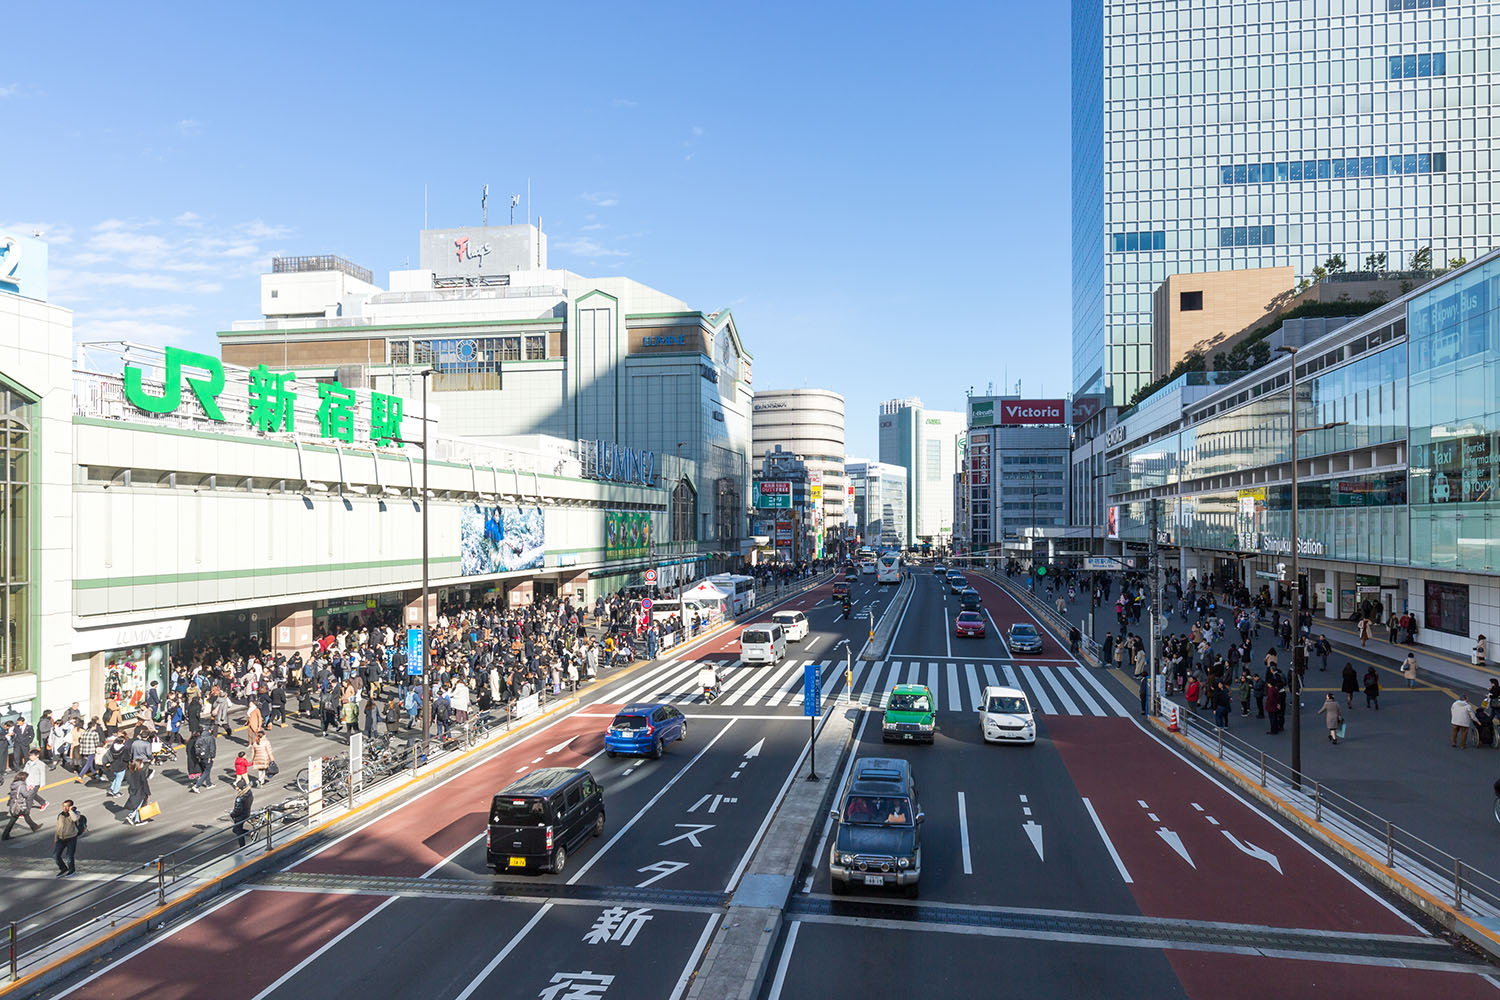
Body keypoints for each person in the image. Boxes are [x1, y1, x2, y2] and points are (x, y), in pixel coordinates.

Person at [3, 770, 41, 839]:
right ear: (23, 778)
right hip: (19, 805)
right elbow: (26, 794)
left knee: (23, 815)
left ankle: (34, 826)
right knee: (22, 815)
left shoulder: (14, 784)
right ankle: (5, 835)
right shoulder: (22, 785)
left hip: (14, 804)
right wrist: (31, 789)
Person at [53, 800, 82, 877]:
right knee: (56, 856)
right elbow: (58, 827)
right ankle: (63, 868)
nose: (64, 808)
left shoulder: (76, 813)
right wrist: (56, 837)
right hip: (61, 838)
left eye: (66, 806)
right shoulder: (60, 815)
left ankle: (72, 870)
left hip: (71, 838)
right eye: (63, 806)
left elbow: (75, 819)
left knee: (69, 856)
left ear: (70, 807)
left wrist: (71, 811)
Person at [123, 759, 152, 825]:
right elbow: (144, 783)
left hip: (134, 791)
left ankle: (134, 818)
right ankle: (134, 818)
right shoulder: (141, 772)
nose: (143, 765)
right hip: (141, 792)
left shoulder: (130, 772)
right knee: (139, 806)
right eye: (141, 763)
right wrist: (148, 792)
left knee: (138, 805)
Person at [230, 777, 254, 848]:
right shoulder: (249, 793)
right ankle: (251, 833)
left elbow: (237, 810)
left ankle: (242, 847)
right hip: (246, 814)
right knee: (236, 830)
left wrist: (232, 814)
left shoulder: (239, 798)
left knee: (238, 832)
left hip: (240, 817)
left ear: (239, 788)